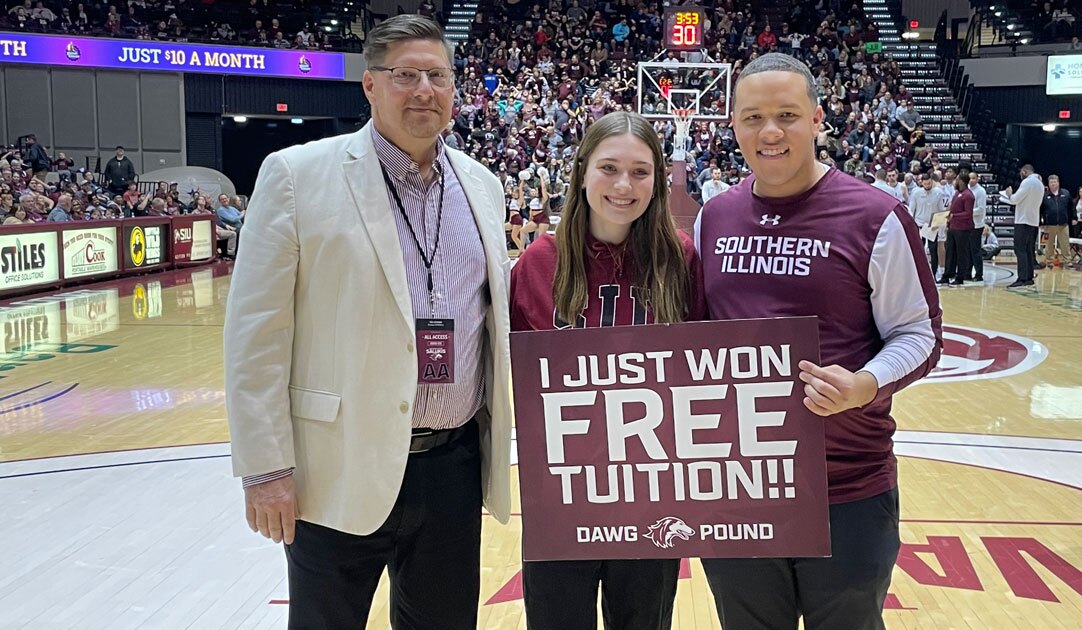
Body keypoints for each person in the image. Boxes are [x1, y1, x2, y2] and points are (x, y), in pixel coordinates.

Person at [223, 15, 512, 630]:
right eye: (405, 75)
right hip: (337, 463)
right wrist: (267, 469)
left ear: (455, 88)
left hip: (451, 467)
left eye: (437, 75)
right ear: (370, 86)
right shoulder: (297, 176)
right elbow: (256, 336)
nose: (423, 90)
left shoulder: (483, 187)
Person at [694, 52, 943, 630]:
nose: (771, 131)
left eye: (787, 114)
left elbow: (919, 334)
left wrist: (865, 384)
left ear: (818, 119)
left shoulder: (876, 216)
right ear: (732, 125)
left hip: (847, 485)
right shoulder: (714, 216)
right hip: (739, 486)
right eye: (752, 117)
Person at [510, 111, 706, 630]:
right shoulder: (538, 263)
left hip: (651, 495)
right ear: (581, 172)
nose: (624, 185)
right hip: (562, 492)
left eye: (641, 172)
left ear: (659, 181)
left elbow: (706, 370)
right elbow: (514, 380)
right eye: (610, 168)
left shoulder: (679, 259)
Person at [999, 164, 1045, 288]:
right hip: (1033, 221)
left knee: (1020, 250)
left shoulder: (1027, 182)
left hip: (1023, 220)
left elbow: (1014, 199)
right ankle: (1029, 277)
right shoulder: (1040, 184)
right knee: (1029, 250)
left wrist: (1008, 194)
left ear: (1024, 171)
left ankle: (1022, 278)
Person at [941, 172, 975, 286]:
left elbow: (968, 213)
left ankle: (960, 276)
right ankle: (947, 275)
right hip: (953, 227)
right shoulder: (957, 193)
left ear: (961, 181)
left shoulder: (968, 195)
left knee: (961, 253)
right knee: (950, 252)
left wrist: (954, 216)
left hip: (963, 228)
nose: (955, 182)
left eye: (957, 180)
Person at [1041, 175, 1073, 267]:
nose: (1053, 184)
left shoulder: (1066, 193)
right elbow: (1041, 210)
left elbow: (1071, 208)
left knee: (1065, 244)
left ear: (1058, 183)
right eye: (1051, 182)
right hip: (1049, 224)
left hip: (1063, 224)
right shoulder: (1045, 195)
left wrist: (1072, 218)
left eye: (1054, 182)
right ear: (1048, 184)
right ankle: (1049, 260)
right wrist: (1042, 222)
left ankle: (1067, 260)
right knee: (1049, 244)